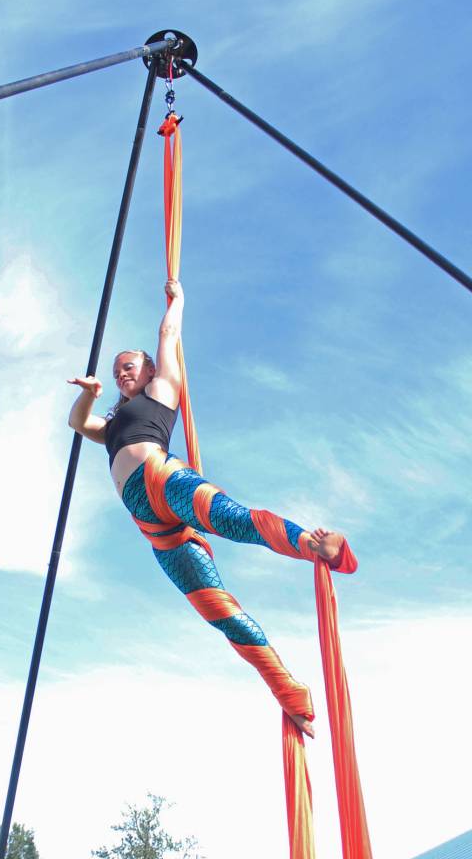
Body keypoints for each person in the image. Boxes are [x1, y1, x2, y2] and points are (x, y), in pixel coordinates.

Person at [68, 279, 347, 738]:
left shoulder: (163, 389)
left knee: (235, 521)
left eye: (129, 366)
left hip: (164, 479)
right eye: (117, 370)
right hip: (154, 529)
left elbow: (168, 338)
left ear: (150, 369)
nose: (122, 374)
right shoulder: (112, 422)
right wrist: (91, 392)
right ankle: (290, 694)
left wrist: (177, 301)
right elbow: (78, 423)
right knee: (218, 611)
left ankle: (314, 545)